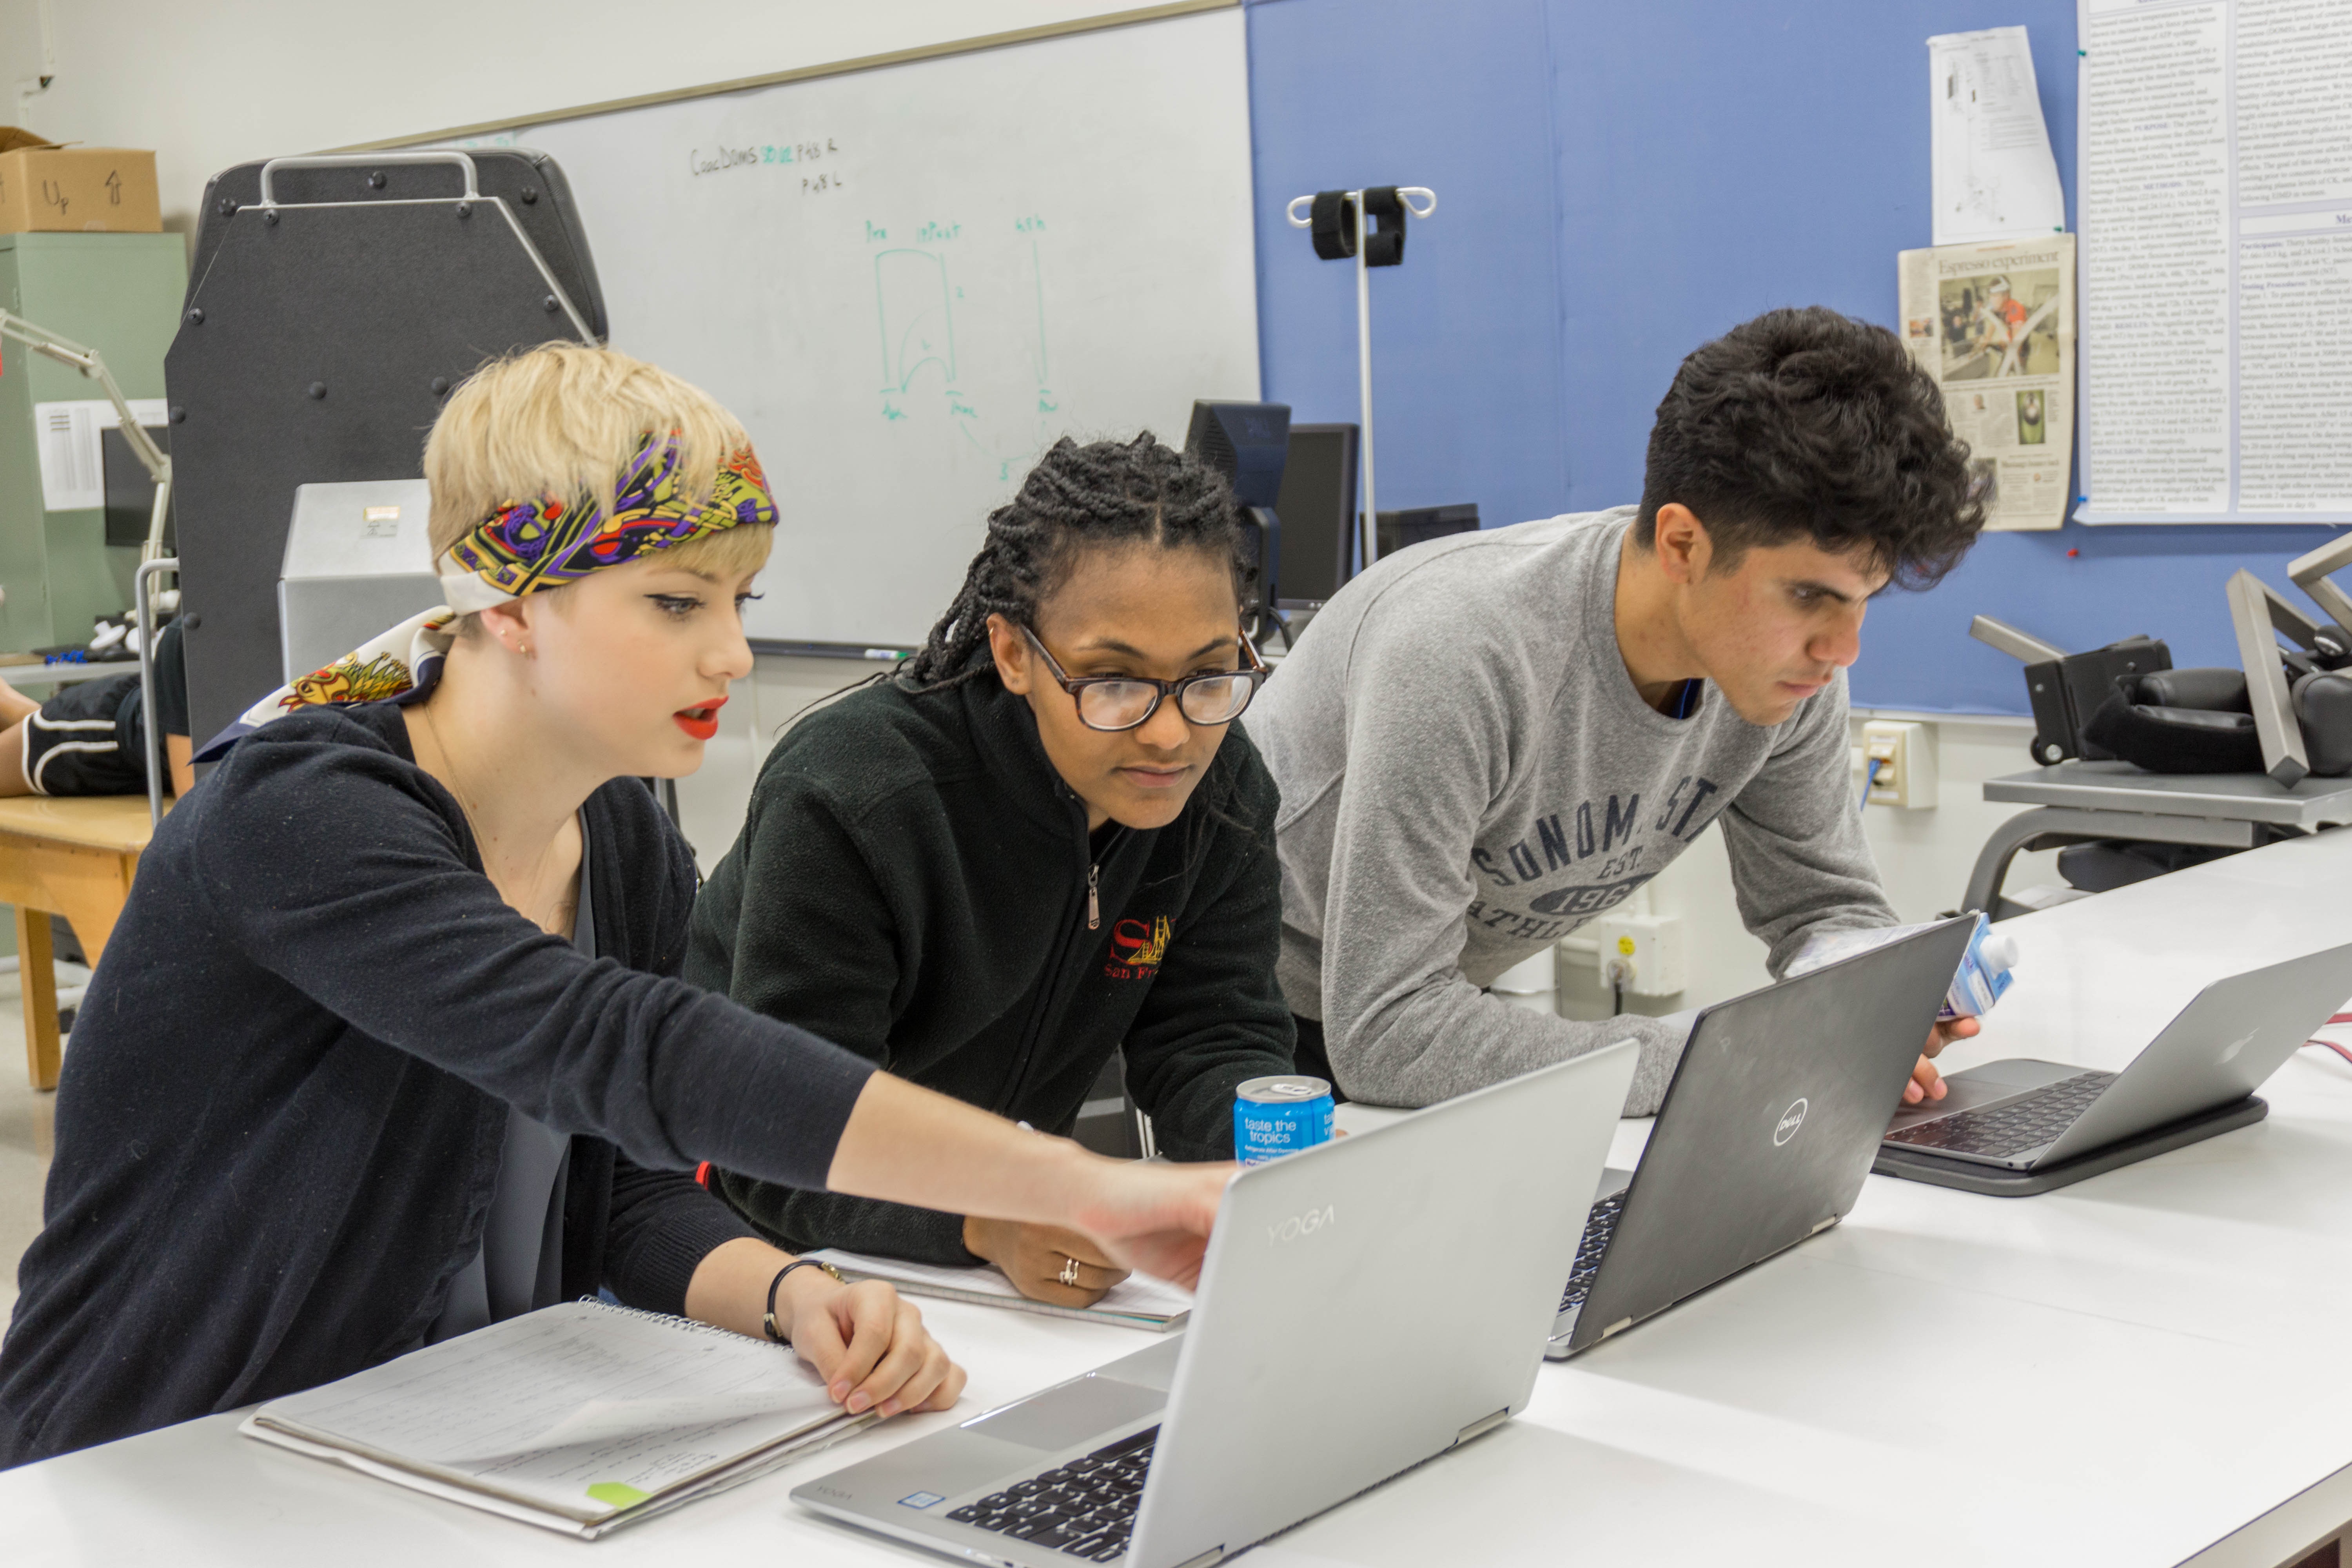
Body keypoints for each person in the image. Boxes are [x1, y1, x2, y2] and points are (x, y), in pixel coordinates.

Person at [0, 346, 1230, 1468]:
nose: (733, 655)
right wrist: (1081, 1189)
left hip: (435, 1446)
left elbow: (625, 1187)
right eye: (677, 601)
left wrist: (788, 1292)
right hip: (159, 1463)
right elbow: (627, 1049)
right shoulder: (305, 814)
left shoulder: (624, 837)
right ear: (509, 600)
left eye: (740, 603)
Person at [1246, 306, 1986, 1115]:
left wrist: (1871, 993)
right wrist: (1732, 1063)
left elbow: (1821, 905)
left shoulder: (1788, 671)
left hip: (1414, 1010)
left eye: (1863, 600)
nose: (1843, 648)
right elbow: (1392, 1036)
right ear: (1682, 545)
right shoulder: (1461, 648)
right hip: (1243, 1015)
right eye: (1809, 595)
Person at [688, 434, 1292, 1308]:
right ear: (1013, 652)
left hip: (986, 1290)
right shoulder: (856, 796)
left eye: (1209, 674)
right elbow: (775, 1141)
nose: (1170, 733)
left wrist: (1282, 1151)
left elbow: (1210, 1038)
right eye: (1113, 681)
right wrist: (984, 1219)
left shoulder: (1221, 784)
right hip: (762, 1273)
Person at [0, 616, 193, 797]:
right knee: (37, 726)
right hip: (103, 730)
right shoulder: (188, 630)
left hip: (152, 736)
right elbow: (193, 800)